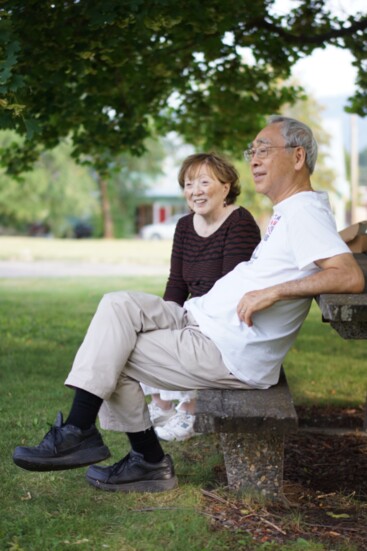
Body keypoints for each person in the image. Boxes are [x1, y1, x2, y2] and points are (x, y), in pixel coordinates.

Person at [13, 116, 364, 494]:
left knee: (114, 354)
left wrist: (274, 292)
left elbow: (348, 276)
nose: (255, 159)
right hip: (199, 318)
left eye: (264, 150)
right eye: (252, 151)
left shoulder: (304, 212)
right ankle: (88, 435)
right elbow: (332, 247)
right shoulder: (293, 210)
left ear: (298, 157)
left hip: (226, 348)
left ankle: (131, 454)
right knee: (116, 305)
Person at [143, 153, 261, 442]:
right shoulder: (184, 226)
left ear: (225, 186)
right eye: (188, 184)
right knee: (147, 328)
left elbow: (229, 291)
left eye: (204, 182)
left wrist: (187, 319)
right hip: (196, 310)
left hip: (226, 318)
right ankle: (162, 406)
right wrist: (168, 315)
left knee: (183, 338)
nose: (194, 191)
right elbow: (176, 281)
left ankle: (190, 408)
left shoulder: (239, 223)